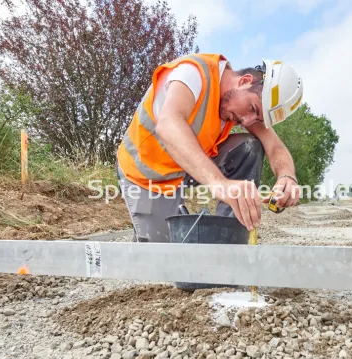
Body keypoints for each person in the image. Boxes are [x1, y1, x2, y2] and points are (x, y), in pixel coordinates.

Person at [115, 53, 304, 242]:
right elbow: (168, 125)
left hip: (186, 168)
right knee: (164, 257)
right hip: (147, 175)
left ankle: (229, 240)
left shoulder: (242, 106)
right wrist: (219, 183)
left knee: (250, 146)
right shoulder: (193, 74)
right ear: (245, 81)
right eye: (253, 109)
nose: (246, 121)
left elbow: (274, 146)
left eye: (257, 119)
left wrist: (287, 176)